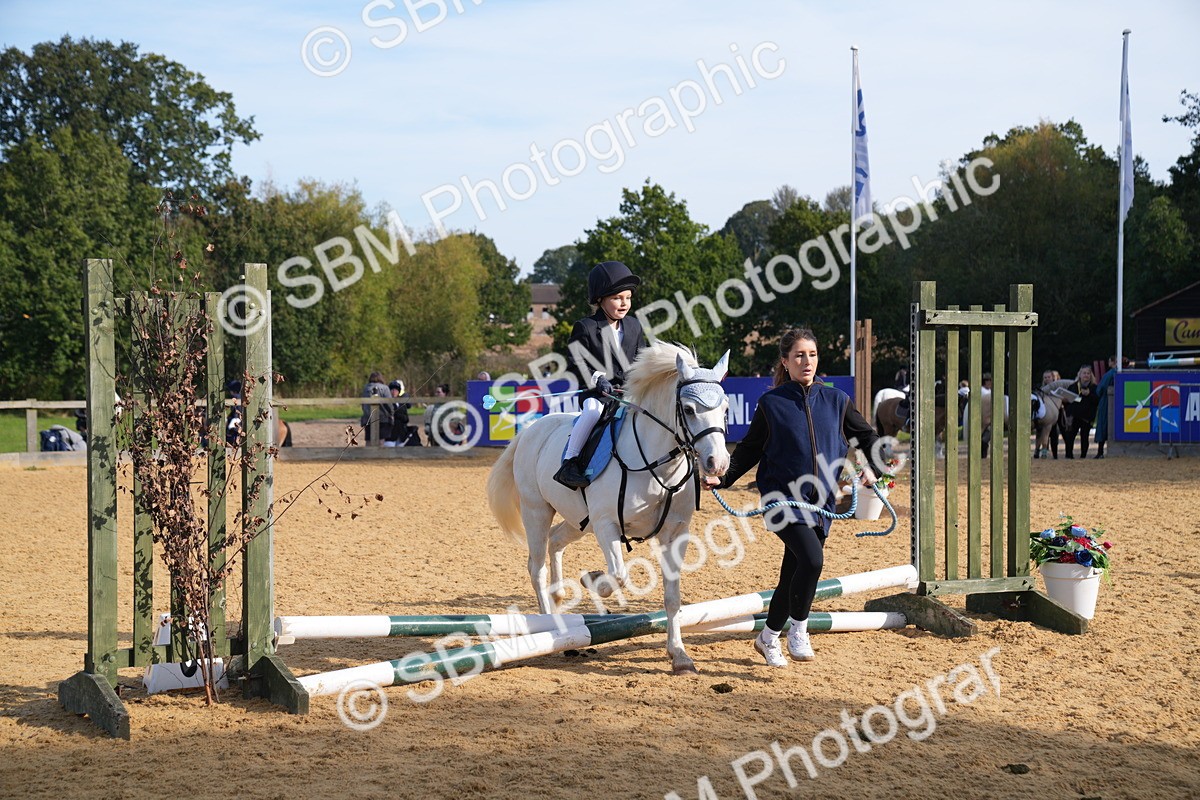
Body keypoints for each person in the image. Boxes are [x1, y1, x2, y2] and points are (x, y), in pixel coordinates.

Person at [703, 327, 887, 667]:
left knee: (793, 574)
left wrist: (874, 467)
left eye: (812, 355)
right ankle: (799, 630)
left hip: (822, 505)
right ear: (785, 362)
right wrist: (723, 478)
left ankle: (768, 636)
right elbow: (748, 450)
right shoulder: (771, 403)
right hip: (781, 501)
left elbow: (868, 436)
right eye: (799, 355)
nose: (807, 361)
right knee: (813, 560)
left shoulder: (836, 401)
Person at [553, 261, 648, 489]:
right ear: (600, 300)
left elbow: (642, 361)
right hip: (598, 394)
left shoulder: (634, 327)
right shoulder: (585, 327)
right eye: (617, 298)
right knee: (592, 413)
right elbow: (575, 362)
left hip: (628, 394)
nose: (624, 303)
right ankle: (570, 462)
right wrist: (597, 378)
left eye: (627, 297)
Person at [1062, 365, 1099, 459]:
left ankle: (1083, 456)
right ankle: (1068, 455)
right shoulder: (1073, 386)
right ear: (1080, 375)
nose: (1086, 375)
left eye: (1088, 373)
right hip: (1073, 415)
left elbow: (1097, 401)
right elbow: (1067, 400)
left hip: (1087, 417)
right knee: (1070, 436)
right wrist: (1065, 400)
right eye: (1084, 373)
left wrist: (1089, 394)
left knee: (1084, 436)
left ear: (1091, 375)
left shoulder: (1094, 387)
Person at [1092, 356, 1125, 459]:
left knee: (1102, 424)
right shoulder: (1124, 372)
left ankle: (1100, 452)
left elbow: (1100, 389)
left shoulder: (1109, 374)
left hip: (1106, 401)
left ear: (1112, 362)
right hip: (1121, 401)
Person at [360, 371, 393, 443]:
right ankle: (380, 454)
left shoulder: (365, 388)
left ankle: (368, 454)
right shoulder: (385, 388)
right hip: (382, 418)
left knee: (368, 441)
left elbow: (363, 404)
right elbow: (389, 403)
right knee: (381, 441)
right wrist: (391, 413)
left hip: (368, 418)